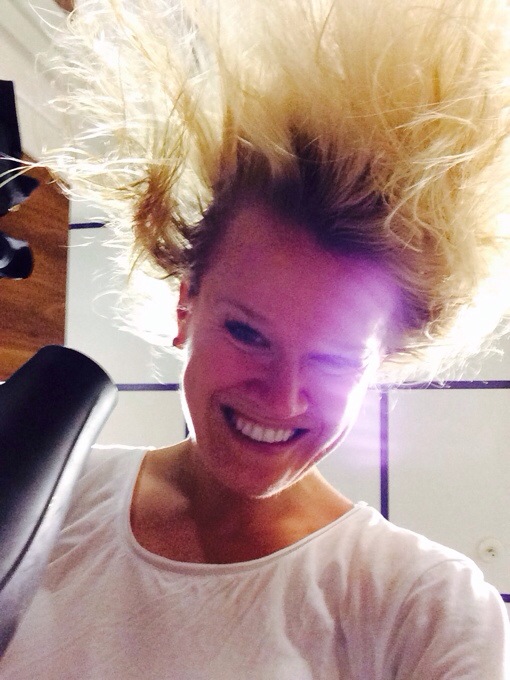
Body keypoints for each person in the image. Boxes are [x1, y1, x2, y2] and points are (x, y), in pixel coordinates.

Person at [2, 0, 510, 677]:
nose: (282, 396)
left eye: (334, 359)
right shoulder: (38, 493)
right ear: (186, 306)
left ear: (379, 365)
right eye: (247, 332)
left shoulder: (424, 611)